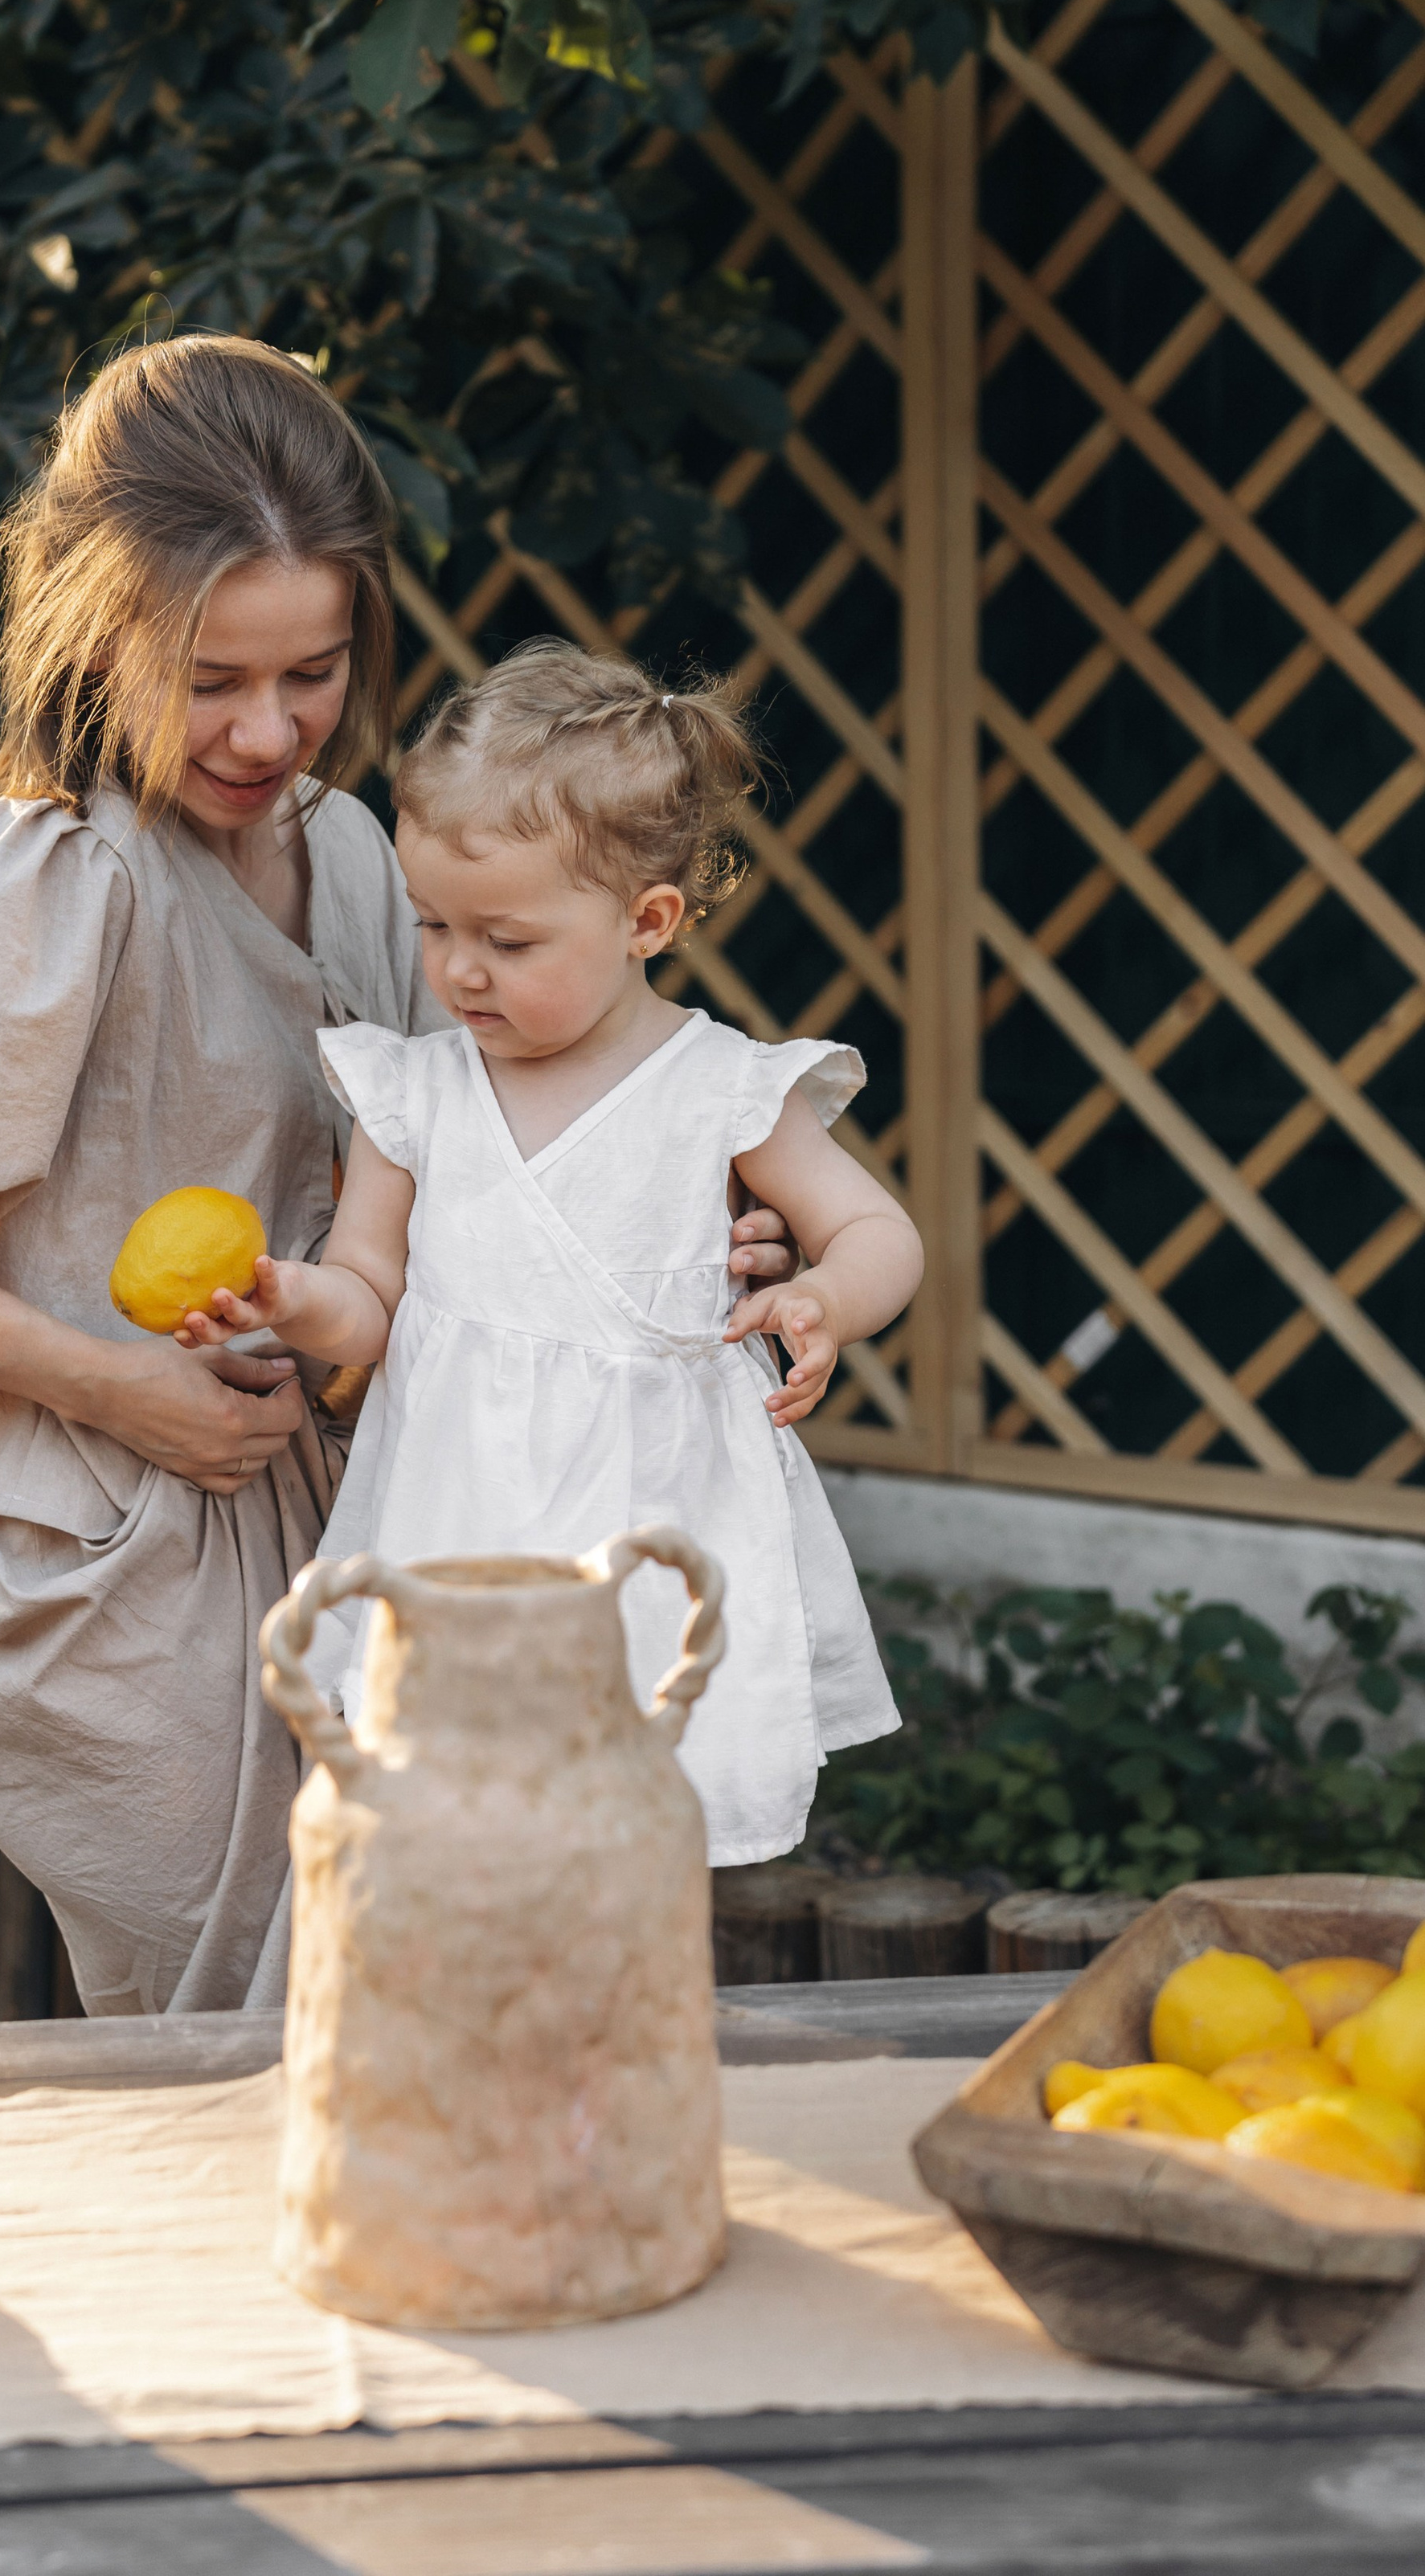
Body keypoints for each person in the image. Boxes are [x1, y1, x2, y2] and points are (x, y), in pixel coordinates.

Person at [0, 334, 810, 2010]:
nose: (267, 730)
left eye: (312, 672)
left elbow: (464, 1167)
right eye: (210, 679)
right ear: (95, 631)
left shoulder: (360, 857)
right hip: (114, 1590)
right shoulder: (47, 883)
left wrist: (678, 1230)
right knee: (244, 2070)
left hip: (357, 1545)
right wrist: (118, 1386)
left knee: (387, 2051)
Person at [178, 640, 915, 1867]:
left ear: (646, 921)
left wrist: (828, 1298)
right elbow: (370, 1298)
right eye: (432, 925)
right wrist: (289, 1298)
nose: (459, 969)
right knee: (454, 1835)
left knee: (631, 1832)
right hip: (460, 1516)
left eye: (509, 941)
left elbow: (880, 1231)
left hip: (650, 1527)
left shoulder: (720, 1088)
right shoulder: (417, 1092)